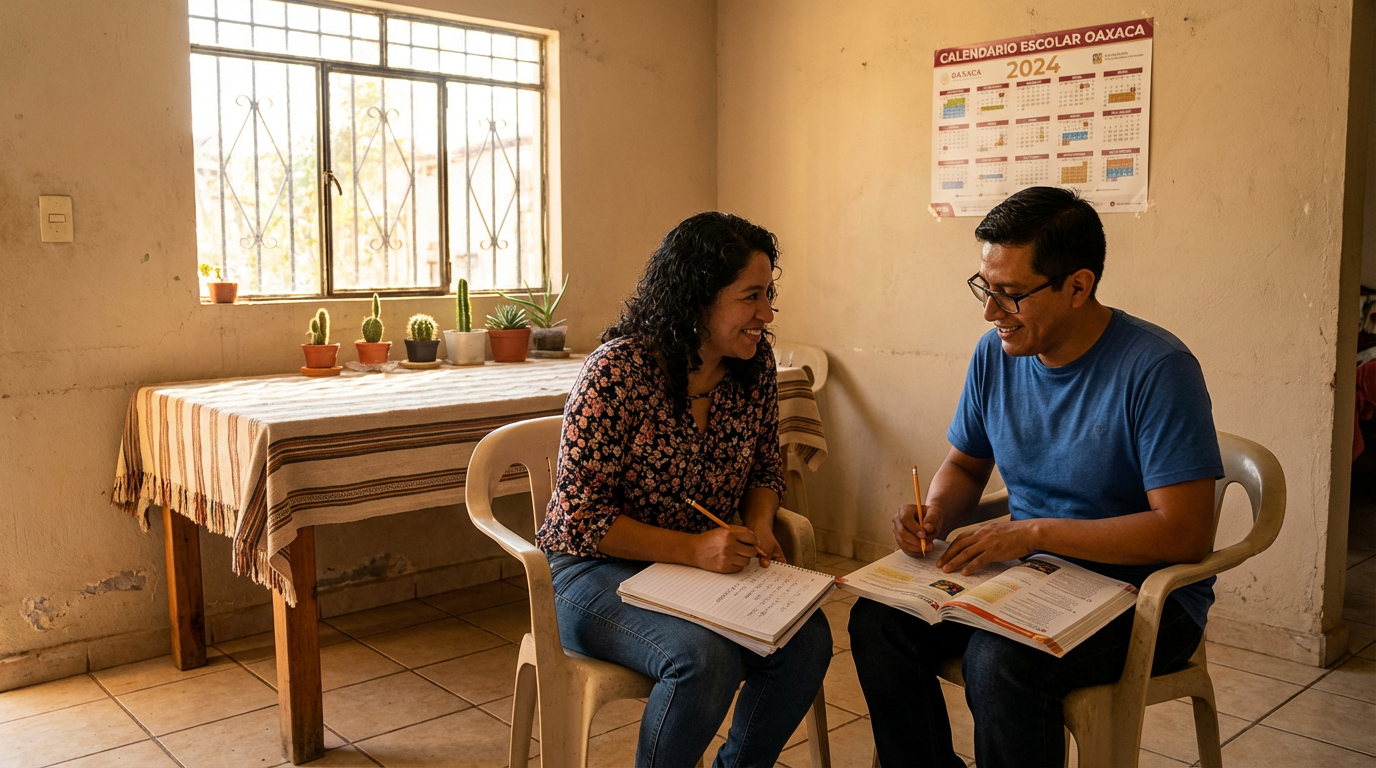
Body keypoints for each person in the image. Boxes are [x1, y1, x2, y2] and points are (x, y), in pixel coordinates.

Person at [849, 187, 1224, 768]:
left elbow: (1184, 534)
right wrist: (939, 513)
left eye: (1010, 295)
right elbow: (967, 464)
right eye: (985, 288)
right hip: (1033, 575)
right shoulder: (994, 355)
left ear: (1078, 286)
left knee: (999, 662)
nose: (990, 312)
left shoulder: (1156, 369)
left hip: (1147, 593)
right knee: (879, 623)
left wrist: (1031, 533)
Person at [535, 211, 832, 767]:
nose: (766, 315)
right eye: (751, 297)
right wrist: (693, 549)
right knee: (704, 660)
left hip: (698, 571)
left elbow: (766, 464)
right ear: (698, 298)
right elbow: (581, 519)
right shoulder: (617, 374)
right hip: (591, 570)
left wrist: (761, 524)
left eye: (769, 294)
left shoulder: (754, 364)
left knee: (807, 639)